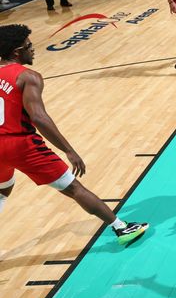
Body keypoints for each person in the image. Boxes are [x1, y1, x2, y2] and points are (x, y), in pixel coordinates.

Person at [0, 24, 148, 245]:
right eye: (29, 46)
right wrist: (69, 150)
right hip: (21, 144)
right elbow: (39, 117)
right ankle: (121, 228)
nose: (33, 50)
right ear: (16, 52)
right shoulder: (28, 76)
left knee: (3, 189)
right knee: (73, 188)